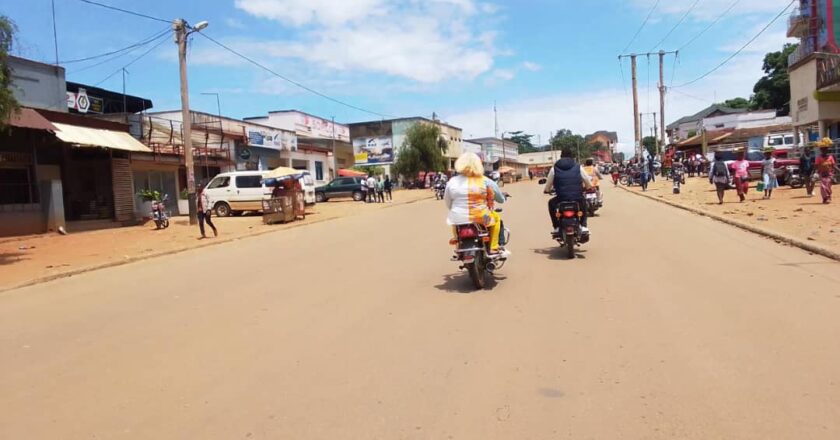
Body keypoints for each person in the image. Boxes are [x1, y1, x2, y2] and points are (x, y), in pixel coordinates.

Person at [444, 152, 508, 257]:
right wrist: (503, 198)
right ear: (479, 165)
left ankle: (458, 244)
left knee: (454, 223)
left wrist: (457, 209)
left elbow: (448, 202)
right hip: (482, 217)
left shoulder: (452, 181)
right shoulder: (485, 181)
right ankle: (493, 247)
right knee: (496, 219)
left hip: (457, 217)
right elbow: (500, 199)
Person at [543, 148, 593, 235]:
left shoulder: (554, 168)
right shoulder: (578, 167)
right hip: (577, 197)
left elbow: (549, 183)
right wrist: (588, 187)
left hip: (561, 198)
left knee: (551, 203)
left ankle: (556, 226)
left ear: (561, 156)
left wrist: (547, 190)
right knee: (584, 203)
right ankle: (583, 225)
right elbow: (587, 180)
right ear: (572, 157)